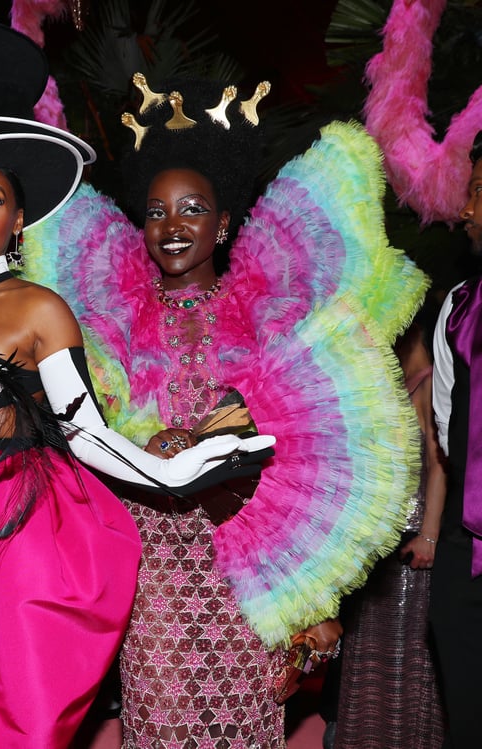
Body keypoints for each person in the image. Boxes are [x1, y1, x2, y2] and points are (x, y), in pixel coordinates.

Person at [23, 77, 427, 747]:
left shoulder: (268, 315)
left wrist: (312, 608)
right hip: (152, 570)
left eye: (191, 209)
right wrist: (150, 445)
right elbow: (85, 433)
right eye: (157, 211)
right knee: (158, 721)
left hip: (247, 567)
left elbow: (310, 463)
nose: (173, 226)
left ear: (225, 222)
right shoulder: (111, 317)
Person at [0, 112, 274, 748]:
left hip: (3, 531)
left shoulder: (39, 307)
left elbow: (81, 429)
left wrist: (163, 473)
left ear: (16, 222)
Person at [332, 308, 446, 748]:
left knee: (404, 660)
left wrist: (429, 535)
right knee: (366, 658)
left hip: (413, 547)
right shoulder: (394, 386)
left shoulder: (433, 382)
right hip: (381, 544)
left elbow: (440, 465)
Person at [430, 130, 482, 749]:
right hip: (464, 564)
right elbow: (448, 426)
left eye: (478, 194)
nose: (466, 211)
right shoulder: (459, 308)